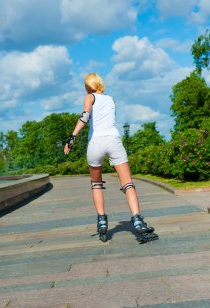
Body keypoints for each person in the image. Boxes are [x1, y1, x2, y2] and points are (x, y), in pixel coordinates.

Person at [64, 72, 157, 242]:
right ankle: (138, 221)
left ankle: (102, 222)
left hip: (96, 142)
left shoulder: (89, 97)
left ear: (88, 86)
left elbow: (85, 116)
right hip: (113, 140)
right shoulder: (111, 99)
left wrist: (72, 137)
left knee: (96, 184)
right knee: (128, 183)